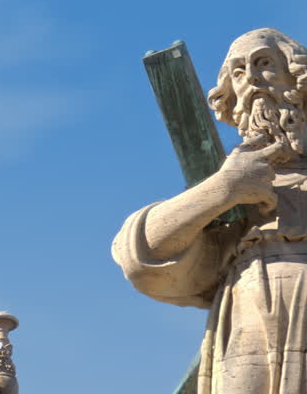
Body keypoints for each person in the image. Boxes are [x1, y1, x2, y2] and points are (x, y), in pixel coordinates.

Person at [113, 28, 307, 394]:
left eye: (263, 64)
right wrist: (224, 189)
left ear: (298, 81)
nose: (250, 79)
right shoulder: (231, 198)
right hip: (247, 326)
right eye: (238, 72)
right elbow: (139, 255)